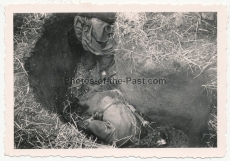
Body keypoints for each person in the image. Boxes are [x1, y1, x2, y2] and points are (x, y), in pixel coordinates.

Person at [63, 89, 146, 147]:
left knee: (88, 124)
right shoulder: (115, 98)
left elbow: (89, 123)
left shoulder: (114, 134)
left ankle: (74, 120)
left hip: (121, 134)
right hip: (135, 129)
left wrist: (76, 122)